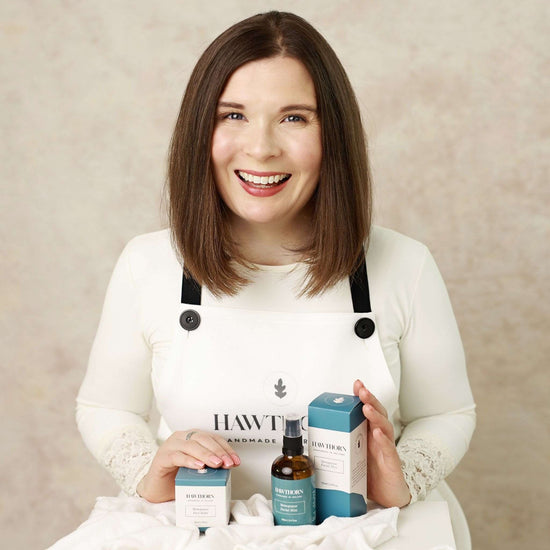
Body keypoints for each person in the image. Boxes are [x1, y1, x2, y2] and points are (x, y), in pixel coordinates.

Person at [76, 10, 476, 548]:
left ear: (333, 135)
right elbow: (107, 408)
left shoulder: (405, 265)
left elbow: (447, 413)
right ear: (200, 131)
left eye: (294, 118)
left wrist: (404, 476)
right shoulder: (146, 264)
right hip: (198, 526)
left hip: (366, 526)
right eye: (233, 115)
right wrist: (148, 471)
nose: (261, 147)